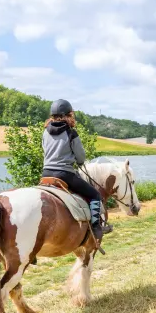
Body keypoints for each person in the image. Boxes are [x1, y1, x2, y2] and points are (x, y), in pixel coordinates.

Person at [42, 99, 112, 241]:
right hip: (65, 174)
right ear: (68, 115)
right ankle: (96, 227)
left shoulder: (45, 132)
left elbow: (44, 150)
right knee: (95, 195)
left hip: (46, 174)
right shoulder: (70, 132)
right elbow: (81, 156)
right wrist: (79, 162)